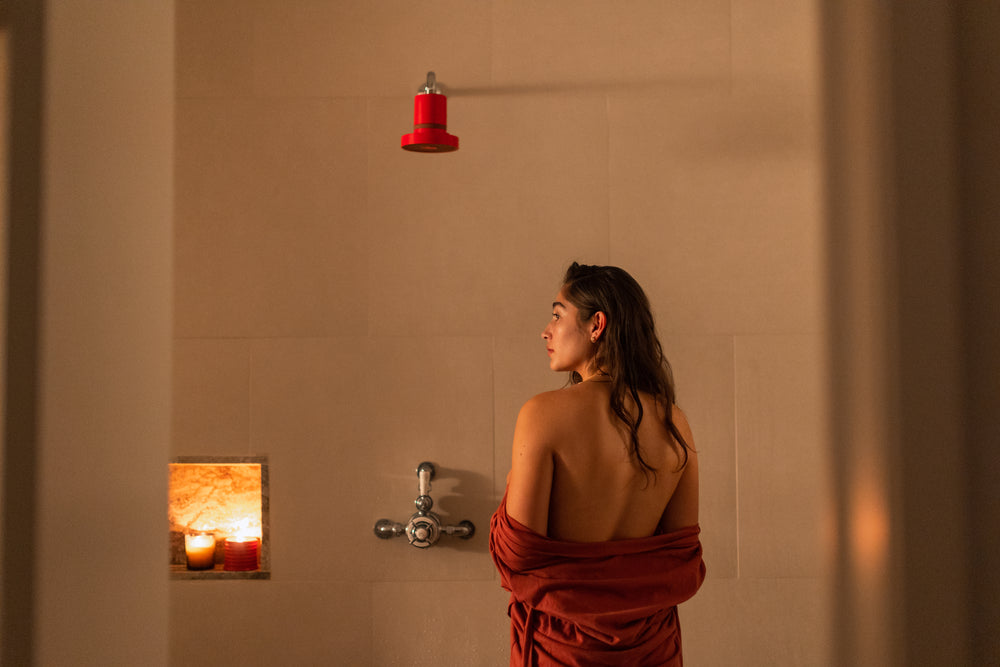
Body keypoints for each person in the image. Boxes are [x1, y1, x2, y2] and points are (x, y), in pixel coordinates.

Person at [489, 262, 705, 666]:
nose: (546, 331)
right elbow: (681, 560)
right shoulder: (675, 422)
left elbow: (520, 556)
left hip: (563, 650)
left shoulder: (542, 414)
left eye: (557, 315)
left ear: (597, 325)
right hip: (650, 649)